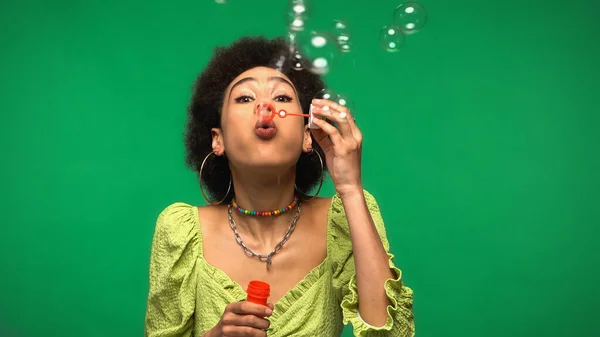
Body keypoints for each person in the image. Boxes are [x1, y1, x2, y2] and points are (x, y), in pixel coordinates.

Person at [144, 36, 415, 337]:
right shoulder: (181, 232)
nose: (265, 106)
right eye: (245, 98)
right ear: (216, 139)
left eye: (283, 98)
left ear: (306, 137)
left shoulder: (343, 219)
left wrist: (350, 187)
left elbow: (391, 335)